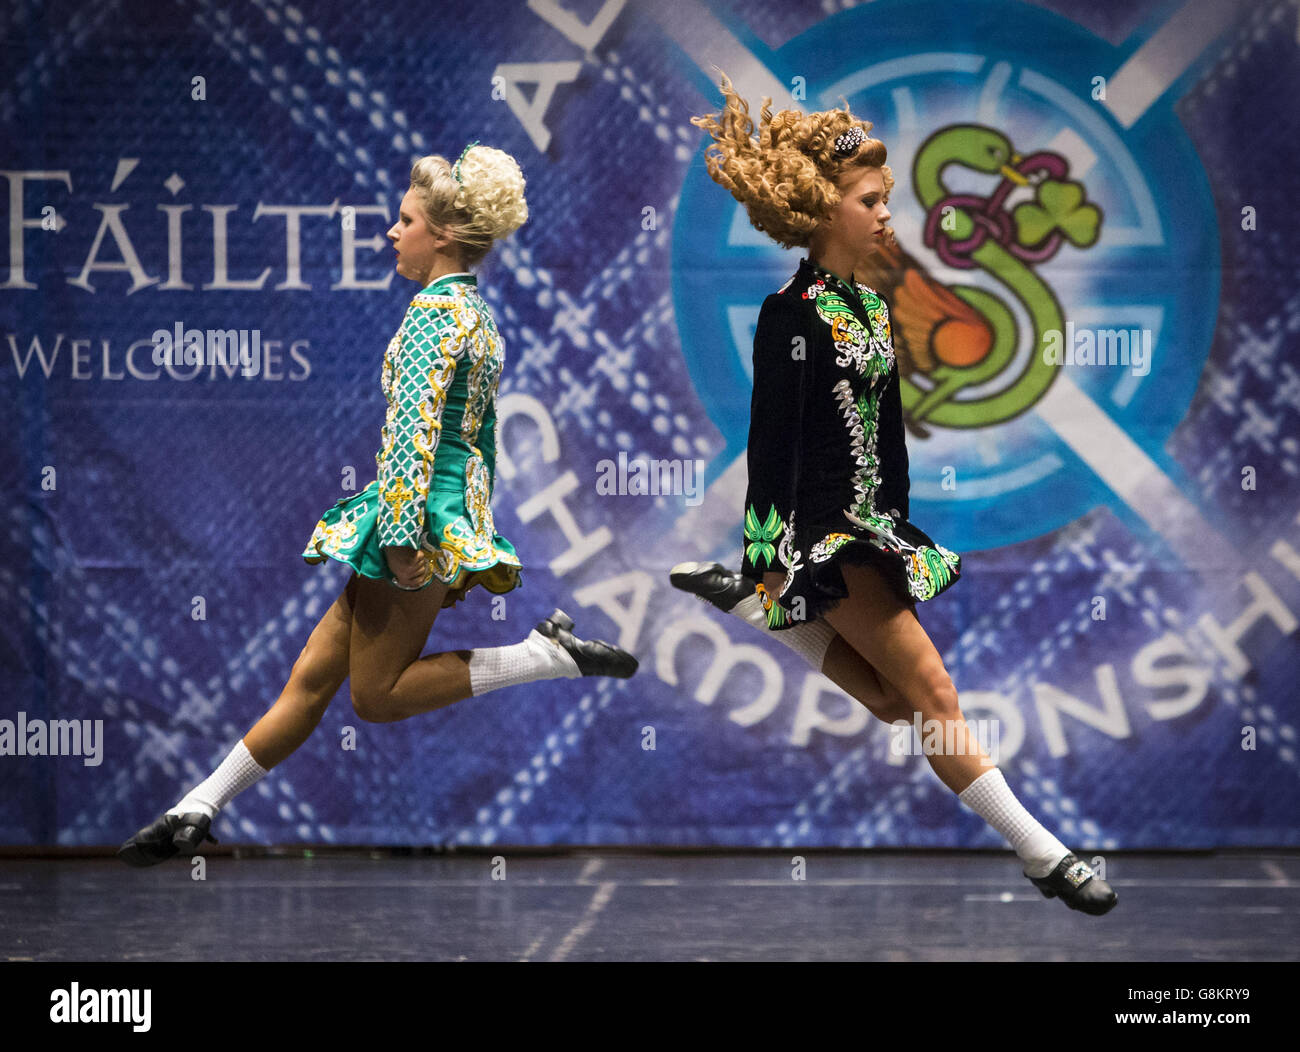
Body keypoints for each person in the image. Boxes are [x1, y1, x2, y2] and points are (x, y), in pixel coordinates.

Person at [118, 143, 637, 867]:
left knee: (376, 697)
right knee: (311, 682)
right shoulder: (477, 316)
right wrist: (467, 523)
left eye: (406, 220)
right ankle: (198, 806)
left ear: (444, 236)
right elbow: (475, 440)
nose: (393, 233)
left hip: (412, 523)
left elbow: (412, 436)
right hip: (433, 515)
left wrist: (402, 536)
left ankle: (540, 656)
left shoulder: (432, 314)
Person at [672, 75, 1115, 915]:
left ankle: (746, 610)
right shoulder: (789, 317)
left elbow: (890, 438)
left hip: (876, 527)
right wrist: (768, 562)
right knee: (936, 698)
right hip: (825, 534)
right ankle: (1043, 854)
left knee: (892, 705)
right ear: (820, 208)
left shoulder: (872, 309)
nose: (886, 215)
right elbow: (771, 453)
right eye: (871, 200)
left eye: (887, 199)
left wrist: (900, 526)